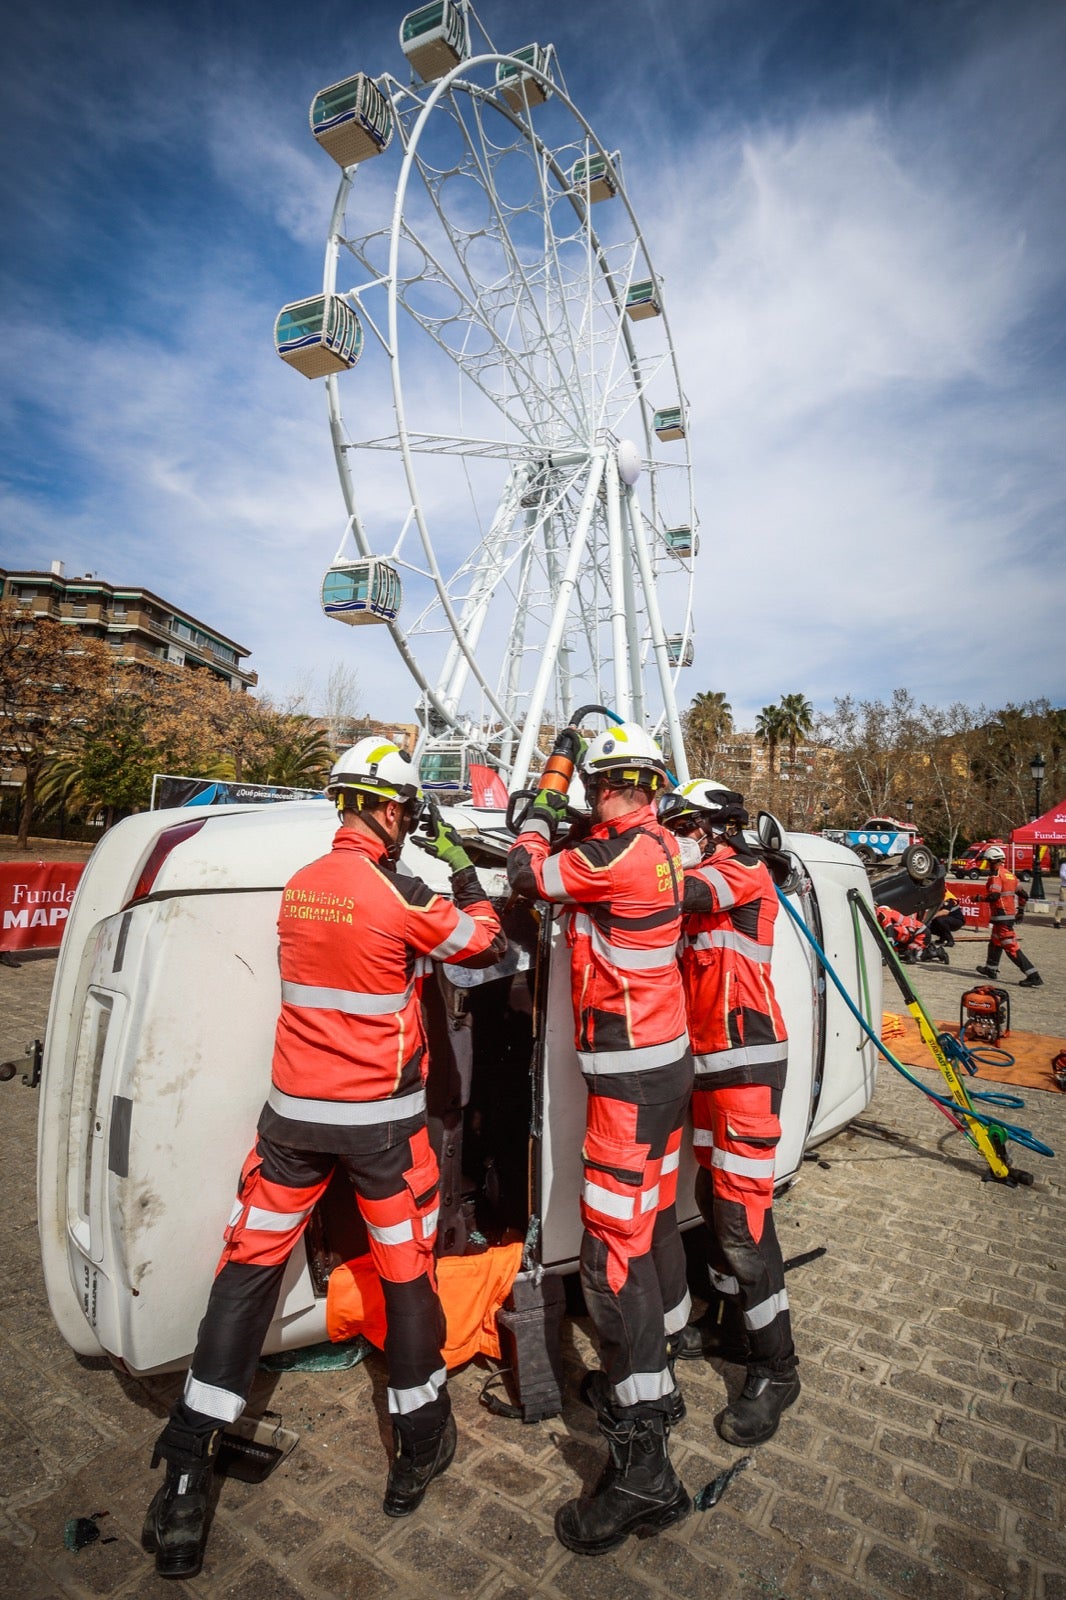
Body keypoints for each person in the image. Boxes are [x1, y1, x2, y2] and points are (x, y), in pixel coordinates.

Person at [142, 739, 505, 1579]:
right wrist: (461, 873)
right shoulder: (403, 889)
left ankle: (188, 1477)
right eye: (407, 812)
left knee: (246, 1273)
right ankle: (418, 1444)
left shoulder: (303, 884)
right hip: (383, 1130)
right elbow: (480, 948)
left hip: (291, 1126)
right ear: (388, 810)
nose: (408, 824)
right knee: (406, 1270)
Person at [506, 722, 693, 1556]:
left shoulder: (610, 858)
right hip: (662, 1071)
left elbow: (528, 875)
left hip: (627, 1084)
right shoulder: (657, 848)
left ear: (613, 785)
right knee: (645, 1232)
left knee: (610, 1261)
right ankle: (657, 1373)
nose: (592, 800)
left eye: (595, 788)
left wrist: (538, 809)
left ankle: (646, 1469)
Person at [659, 781, 800, 1448]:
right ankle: (727, 1321)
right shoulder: (700, 881)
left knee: (742, 1219)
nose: (678, 836)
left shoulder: (739, 872)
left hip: (746, 1064)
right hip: (709, 1067)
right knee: (710, 1196)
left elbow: (677, 891)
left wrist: (636, 850)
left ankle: (778, 1368)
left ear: (717, 827)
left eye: (686, 825)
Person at [976, 845, 1042, 988]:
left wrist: (979, 898)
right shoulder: (1010, 875)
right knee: (995, 942)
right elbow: (1024, 894)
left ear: (993, 861)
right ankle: (990, 969)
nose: (987, 864)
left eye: (988, 861)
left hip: (1001, 916)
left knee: (1011, 947)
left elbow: (994, 895)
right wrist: (1021, 911)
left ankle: (1033, 975)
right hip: (1008, 915)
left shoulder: (996, 876)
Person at [922, 889, 964, 963]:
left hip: (956, 921)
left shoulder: (948, 898)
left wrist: (930, 917)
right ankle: (942, 937)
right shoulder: (937, 897)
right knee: (928, 926)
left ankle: (950, 940)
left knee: (940, 920)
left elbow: (945, 912)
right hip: (945, 920)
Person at [1054, 859, 1066, 929]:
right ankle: (1057, 921)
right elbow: (1062, 875)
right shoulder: (1064, 865)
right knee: (1061, 904)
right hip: (1064, 887)